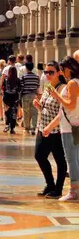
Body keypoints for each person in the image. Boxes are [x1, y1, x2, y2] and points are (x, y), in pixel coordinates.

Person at [43, 56, 79, 201]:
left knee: (72, 160)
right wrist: (50, 126)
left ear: (68, 69)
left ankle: (74, 190)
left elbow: (69, 105)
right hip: (71, 125)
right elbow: (63, 111)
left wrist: (56, 95)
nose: (62, 73)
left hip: (69, 128)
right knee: (75, 159)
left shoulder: (72, 83)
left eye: (62, 70)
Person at [34, 61, 67, 199]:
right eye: (46, 72)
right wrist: (38, 107)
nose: (47, 75)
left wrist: (50, 127)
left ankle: (58, 189)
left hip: (57, 130)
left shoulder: (63, 89)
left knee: (60, 160)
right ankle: (50, 184)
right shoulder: (48, 87)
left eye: (51, 72)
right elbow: (46, 109)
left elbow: (63, 112)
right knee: (39, 155)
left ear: (59, 73)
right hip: (44, 128)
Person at [21, 62, 40, 135]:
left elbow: (22, 87)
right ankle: (33, 128)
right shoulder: (36, 77)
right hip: (34, 95)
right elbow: (37, 87)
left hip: (26, 95)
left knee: (26, 112)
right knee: (34, 112)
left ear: (26, 68)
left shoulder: (24, 77)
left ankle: (27, 128)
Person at [2, 65, 21, 134]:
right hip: (15, 98)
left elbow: (3, 88)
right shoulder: (18, 80)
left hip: (7, 98)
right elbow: (19, 89)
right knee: (13, 113)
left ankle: (7, 125)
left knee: (7, 112)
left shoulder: (6, 79)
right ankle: (12, 128)